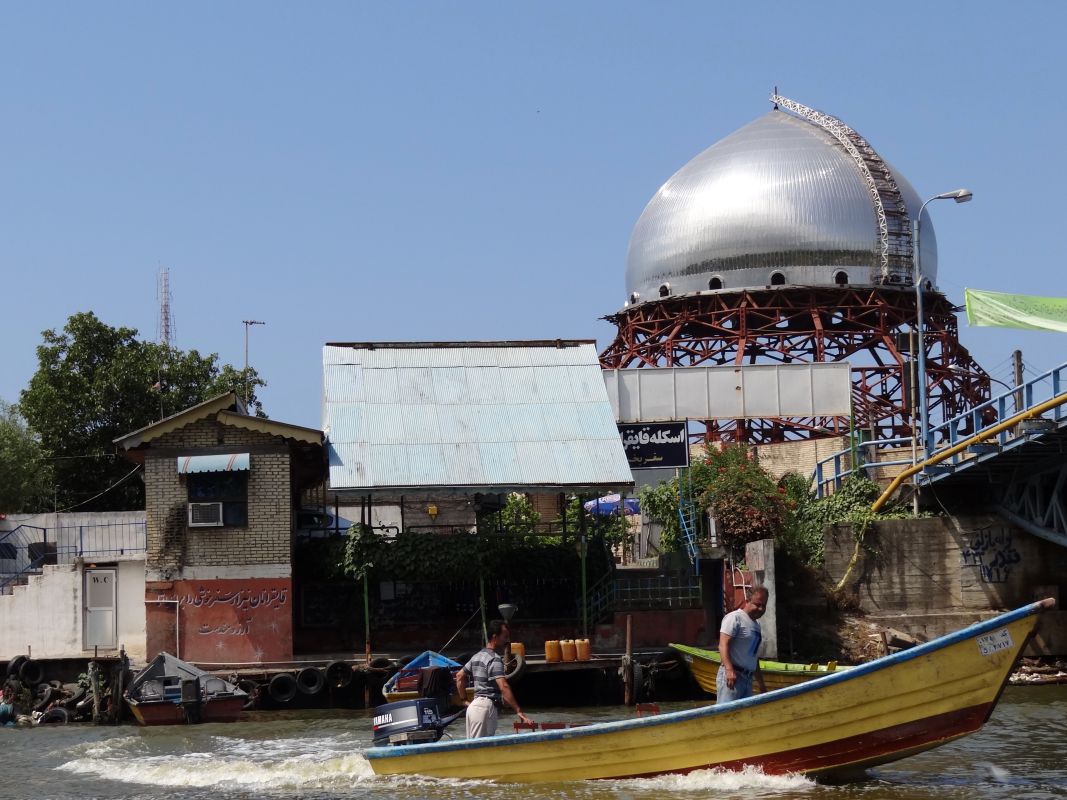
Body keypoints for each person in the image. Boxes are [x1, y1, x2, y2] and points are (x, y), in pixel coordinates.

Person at [455, 619, 532, 737]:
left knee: (472, 746)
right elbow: (504, 686)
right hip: (485, 708)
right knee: (482, 746)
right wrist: (518, 711)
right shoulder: (494, 659)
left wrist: (464, 700)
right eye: (505, 637)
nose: (507, 640)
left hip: (473, 708)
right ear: (495, 637)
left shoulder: (476, 656)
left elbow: (459, 676)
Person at [716, 586, 768, 704]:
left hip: (747, 680)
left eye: (764, 605)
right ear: (747, 601)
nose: (761, 609)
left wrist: (761, 684)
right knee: (726, 713)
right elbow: (723, 645)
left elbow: (753, 656)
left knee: (743, 714)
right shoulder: (735, 618)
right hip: (733, 677)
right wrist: (729, 670)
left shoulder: (756, 625)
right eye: (757, 604)